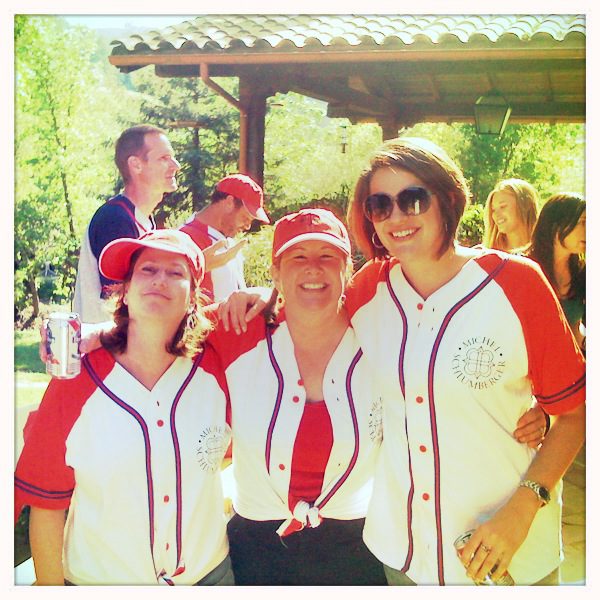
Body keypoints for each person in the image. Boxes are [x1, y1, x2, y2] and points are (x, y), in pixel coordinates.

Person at [343, 137, 585, 585]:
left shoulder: (518, 284)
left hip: (510, 556)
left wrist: (523, 507)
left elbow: (574, 415)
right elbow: (303, 320)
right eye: (380, 205)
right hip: (404, 553)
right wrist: (254, 299)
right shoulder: (365, 292)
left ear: (449, 199)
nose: (396, 216)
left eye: (413, 199)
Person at [16, 229, 233, 585]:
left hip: (208, 576)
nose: (160, 280)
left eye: (176, 272)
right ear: (125, 292)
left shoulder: (218, 366)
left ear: (193, 298)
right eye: (147, 270)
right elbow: (47, 504)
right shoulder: (77, 381)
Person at [208, 208, 387, 585]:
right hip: (257, 549)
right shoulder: (238, 329)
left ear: (346, 270)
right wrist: (89, 337)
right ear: (275, 272)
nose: (313, 269)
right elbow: (159, 326)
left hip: (356, 548)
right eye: (298, 258)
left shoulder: (379, 334)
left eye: (327, 257)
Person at [73, 125, 180, 323]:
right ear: (136, 165)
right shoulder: (115, 219)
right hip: (106, 349)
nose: (176, 165)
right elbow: (120, 302)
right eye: (164, 158)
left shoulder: (144, 221)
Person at [179, 174, 270, 301]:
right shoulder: (185, 239)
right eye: (245, 218)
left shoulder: (228, 240)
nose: (248, 226)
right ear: (228, 203)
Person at [527, 193, 586, 350]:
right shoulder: (522, 267)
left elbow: (575, 328)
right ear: (557, 224)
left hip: (567, 367)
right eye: (583, 222)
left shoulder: (582, 273)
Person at [483, 178, 539, 251]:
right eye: (493, 210)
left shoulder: (547, 249)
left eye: (503, 206)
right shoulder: (487, 255)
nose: (496, 215)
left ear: (526, 204)